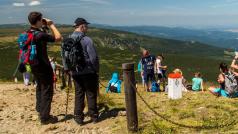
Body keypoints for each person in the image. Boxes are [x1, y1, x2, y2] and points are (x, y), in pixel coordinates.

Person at [62, 18, 99, 125]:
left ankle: (78, 116)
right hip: (88, 71)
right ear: (82, 26)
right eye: (86, 26)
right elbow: (93, 58)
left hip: (75, 72)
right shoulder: (87, 40)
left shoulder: (67, 40)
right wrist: (96, 70)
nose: (87, 28)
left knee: (79, 93)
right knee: (91, 93)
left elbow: (64, 57)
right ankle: (94, 116)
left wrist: (67, 69)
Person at [27, 11, 62, 124]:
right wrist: (51, 24)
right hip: (43, 66)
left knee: (39, 87)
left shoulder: (28, 32)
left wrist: (44, 26)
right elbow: (58, 37)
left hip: (33, 65)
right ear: (37, 21)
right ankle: (45, 117)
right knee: (47, 89)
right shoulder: (40, 35)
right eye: (41, 20)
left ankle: (40, 109)